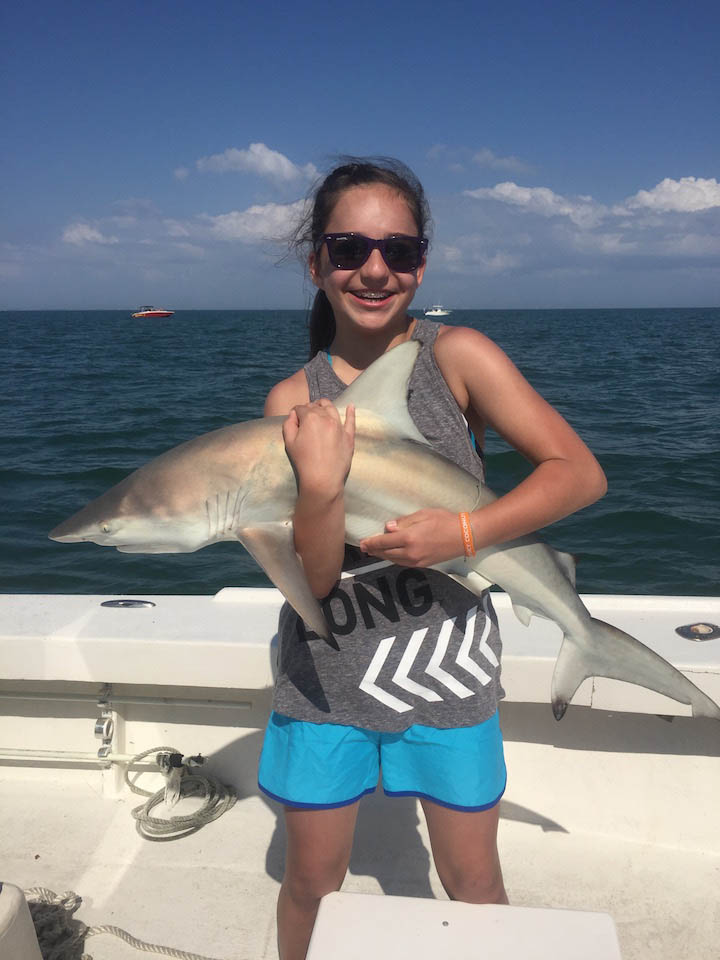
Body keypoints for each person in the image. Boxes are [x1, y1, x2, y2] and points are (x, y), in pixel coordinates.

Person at [258, 158, 607, 960]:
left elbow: (579, 473)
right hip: (325, 682)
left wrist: (462, 535)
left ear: (422, 261)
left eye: (399, 251)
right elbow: (313, 580)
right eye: (348, 249)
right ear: (317, 264)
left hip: (449, 679)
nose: (375, 270)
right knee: (311, 884)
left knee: (475, 882)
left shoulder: (459, 358)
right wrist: (318, 489)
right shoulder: (291, 403)